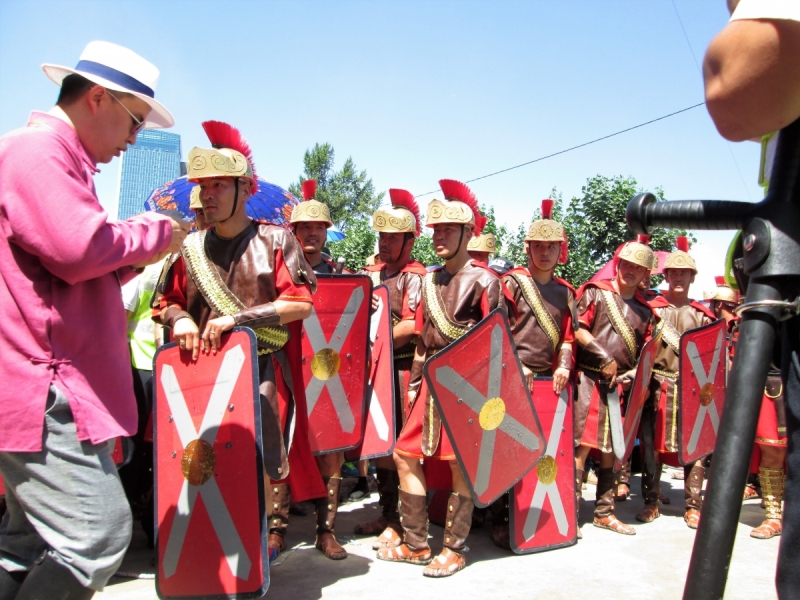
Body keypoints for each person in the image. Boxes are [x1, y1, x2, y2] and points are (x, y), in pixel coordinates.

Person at [0, 41, 188, 598]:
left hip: (46, 380)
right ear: (98, 99)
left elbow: (72, 275)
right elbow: (79, 247)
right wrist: (154, 232)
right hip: (47, 386)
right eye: (134, 121)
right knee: (96, 538)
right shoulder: (37, 153)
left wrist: (131, 252)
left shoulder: (52, 159)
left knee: (27, 545)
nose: (134, 140)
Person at [155, 121, 325, 563]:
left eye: (217, 185)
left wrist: (236, 319)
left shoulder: (276, 239)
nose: (207, 195)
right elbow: (164, 303)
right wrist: (180, 321)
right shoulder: (189, 248)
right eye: (202, 186)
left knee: (266, 457)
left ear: (243, 188)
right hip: (203, 372)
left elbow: (300, 304)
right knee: (206, 458)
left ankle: (269, 534)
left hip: (264, 367)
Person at [377, 179, 506, 577]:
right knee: (403, 455)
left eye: (449, 229)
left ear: (469, 233)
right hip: (429, 386)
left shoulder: (486, 281)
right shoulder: (429, 280)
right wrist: (415, 384)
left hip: (467, 389)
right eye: (435, 230)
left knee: (460, 467)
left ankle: (454, 548)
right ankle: (417, 545)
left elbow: (498, 348)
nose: (439, 237)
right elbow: (421, 341)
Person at [496, 199, 575, 546]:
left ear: (561, 251)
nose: (545, 253)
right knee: (508, 450)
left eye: (551, 247)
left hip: (548, 384)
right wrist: (519, 365)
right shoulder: (511, 283)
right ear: (528, 248)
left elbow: (569, 339)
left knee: (543, 451)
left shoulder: (565, 293)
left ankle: (537, 517)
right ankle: (503, 518)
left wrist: (563, 365)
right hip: (513, 375)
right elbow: (498, 329)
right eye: (539, 246)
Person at [353, 188, 427, 546]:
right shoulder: (371, 274)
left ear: (408, 241)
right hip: (372, 370)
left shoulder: (415, 277)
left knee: (400, 448)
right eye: (381, 236)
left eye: (392, 237)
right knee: (380, 445)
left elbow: (413, 324)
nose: (384, 243)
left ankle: (402, 523)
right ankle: (387, 513)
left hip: (399, 371)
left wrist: (375, 345)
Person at [573, 239, 655, 535]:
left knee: (611, 450)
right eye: (627, 265)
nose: (630, 272)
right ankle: (570, 513)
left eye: (638, 268)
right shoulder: (596, 293)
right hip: (590, 379)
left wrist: (634, 373)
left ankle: (604, 512)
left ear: (645, 273)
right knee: (580, 447)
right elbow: (578, 328)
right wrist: (603, 355)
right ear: (617, 265)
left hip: (617, 386)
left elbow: (646, 352)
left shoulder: (646, 311)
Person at [289, 180, 350, 559]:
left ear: (326, 232)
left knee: (331, 452)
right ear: (293, 231)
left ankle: (325, 532)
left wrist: (363, 310)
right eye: (304, 227)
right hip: (289, 368)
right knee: (282, 449)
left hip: (329, 376)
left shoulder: (341, 274)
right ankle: (276, 530)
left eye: (319, 227)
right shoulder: (279, 269)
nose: (312, 233)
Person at [635, 238, 715, 529]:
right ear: (666, 276)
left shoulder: (704, 315)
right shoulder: (653, 310)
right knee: (651, 446)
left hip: (693, 391)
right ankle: (651, 501)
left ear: (692, 277)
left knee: (695, 446)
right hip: (657, 387)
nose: (678, 277)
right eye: (674, 272)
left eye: (684, 273)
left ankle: (693, 505)